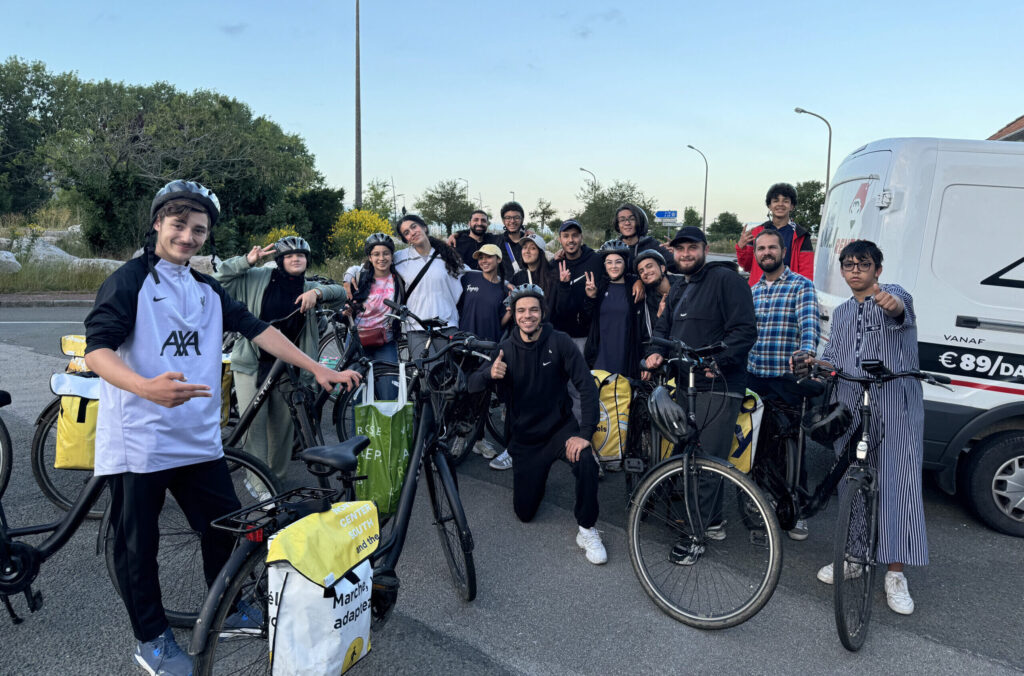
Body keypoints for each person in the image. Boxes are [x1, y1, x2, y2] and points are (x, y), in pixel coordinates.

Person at [84, 180, 360, 676]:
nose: (188, 236)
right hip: (141, 439)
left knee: (226, 527)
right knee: (138, 547)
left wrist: (318, 367)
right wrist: (146, 387)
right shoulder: (129, 281)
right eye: (179, 226)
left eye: (198, 229)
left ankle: (229, 604)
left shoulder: (206, 289)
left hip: (197, 439)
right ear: (157, 224)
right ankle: (151, 640)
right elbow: (97, 350)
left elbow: (262, 331)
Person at [807, 240, 926, 616]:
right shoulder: (841, 313)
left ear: (878, 269)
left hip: (895, 403)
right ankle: (855, 556)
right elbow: (833, 359)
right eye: (848, 265)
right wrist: (813, 362)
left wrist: (889, 304)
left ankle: (895, 572)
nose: (855, 270)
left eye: (863, 264)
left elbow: (899, 311)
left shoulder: (894, 295)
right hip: (851, 402)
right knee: (851, 481)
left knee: (898, 484)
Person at [468, 284, 607, 565]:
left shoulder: (561, 341)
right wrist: (489, 376)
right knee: (525, 513)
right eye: (521, 310)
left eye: (533, 309)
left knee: (587, 462)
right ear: (514, 314)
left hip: (560, 430)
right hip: (525, 439)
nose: (527, 315)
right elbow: (470, 385)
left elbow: (587, 388)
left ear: (542, 312)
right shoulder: (505, 348)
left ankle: (587, 528)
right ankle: (537, 477)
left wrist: (585, 434)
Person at [644, 226, 757, 566]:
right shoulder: (680, 286)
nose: (686, 254)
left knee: (706, 460)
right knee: (691, 456)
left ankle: (696, 536)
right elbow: (663, 330)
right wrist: (655, 353)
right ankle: (714, 522)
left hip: (719, 386)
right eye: (680, 250)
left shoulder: (727, 281)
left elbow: (744, 330)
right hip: (686, 386)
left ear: (705, 249)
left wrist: (718, 362)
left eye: (692, 248)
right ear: (673, 254)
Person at [213, 235, 345, 481]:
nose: (296, 259)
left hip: (290, 368)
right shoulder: (255, 278)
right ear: (280, 260)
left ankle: (277, 481)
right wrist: (246, 261)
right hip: (252, 363)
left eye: (301, 255)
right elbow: (217, 280)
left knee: (282, 430)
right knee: (254, 428)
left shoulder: (307, 287)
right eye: (289, 256)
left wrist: (317, 292)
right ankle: (258, 484)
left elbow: (340, 294)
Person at [745, 228, 820, 540]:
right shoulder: (752, 291)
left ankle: (796, 511)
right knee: (756, 448)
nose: (765, 253)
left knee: (791, 448)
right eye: (760, 248)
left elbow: (809, 328)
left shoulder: (801, 286)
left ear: (783, 250)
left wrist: (805, 354)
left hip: (786, 379)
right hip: (753, 377)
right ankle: (760, 504)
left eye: (771, 247)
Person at [392, 214, 465, 358]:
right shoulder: (400, 258)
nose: (412, 232)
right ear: (405, 239)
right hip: (417, 327)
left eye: (414, 227)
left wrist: (505, 283)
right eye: (406, 232)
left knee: (449, 373)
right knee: (426, 372)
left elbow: (471, 273)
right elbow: (374, 265)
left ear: (424, 227)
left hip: (447, 324)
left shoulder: (446, 255)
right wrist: (350, 275)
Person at [349, 232, 407, 399]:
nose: (381, 258)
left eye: (386, 253)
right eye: (376, 254)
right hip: (357, 340)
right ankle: (357, 427)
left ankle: (386, 425)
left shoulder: (400, 279)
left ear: (392, 255)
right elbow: (352, 271)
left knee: (389, 394)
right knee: (356, 396)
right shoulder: (359, 277)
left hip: (385, 341)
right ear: (370, 257)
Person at [582, 240, 642, 378]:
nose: (613, 266)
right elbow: (586, 320)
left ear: (626, 263)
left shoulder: (634, 288)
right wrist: (591, 298)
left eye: (618, 262)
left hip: (626, 359)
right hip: (600, 358)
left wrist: (639, 281)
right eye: (609, 262)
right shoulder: (599, 286)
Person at [736, 182, 815, 286]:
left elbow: (807, 274)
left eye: (785, 201)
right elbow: (746, 266)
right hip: (759, 294)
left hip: (789, 294)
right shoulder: (756, 233)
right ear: (769, 205)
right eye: (775, 201)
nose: (780, 204)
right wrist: (741, 248)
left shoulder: (801, 236)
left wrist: (801, 293)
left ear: (792, 206)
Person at [548, 220, 602, 353]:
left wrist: (637, 281)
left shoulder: (596, 260)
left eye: (575, 235)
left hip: (587, 336)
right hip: (559, 335)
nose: (571, 240)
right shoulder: (555, 264)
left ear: (581, 237)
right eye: (566, 236)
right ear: (560, 239)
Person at [458, 243, 511, 343]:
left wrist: (510, 312)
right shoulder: (468, 277)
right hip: (464, 342)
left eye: (489, 257)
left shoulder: (504, 290)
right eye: (481, 258)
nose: (484, 261)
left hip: (488, 344)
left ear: (498, 259)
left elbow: (499, 323)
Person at [612, 203, 679, 274]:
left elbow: (679, 269)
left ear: (640, 221)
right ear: (617, 224)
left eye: (632, 219)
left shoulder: (653, 245)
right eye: (622, 220)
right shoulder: (613, 248)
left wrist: (678, 254)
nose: (627, 223)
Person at [634, 249, 681, 344]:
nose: (645, 272)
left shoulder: (683, 285)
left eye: (649, 266)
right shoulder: (647, 299)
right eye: (641, 271)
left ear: (662, 268)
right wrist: (660, 318)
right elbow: (652, 335)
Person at [510, 233, 555, 298]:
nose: (527, 251)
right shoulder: (517, 278)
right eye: (524, 247)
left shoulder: (552, 276)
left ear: (541, 252)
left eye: (532, 248)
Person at [496, 201, 529, 279]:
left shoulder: (529, 241)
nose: (512, 221)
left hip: (527, 288)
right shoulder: (496, 241)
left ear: (522, 219)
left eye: (516, 217)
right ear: (503, 221)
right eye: (508, 218)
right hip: (504, 288)